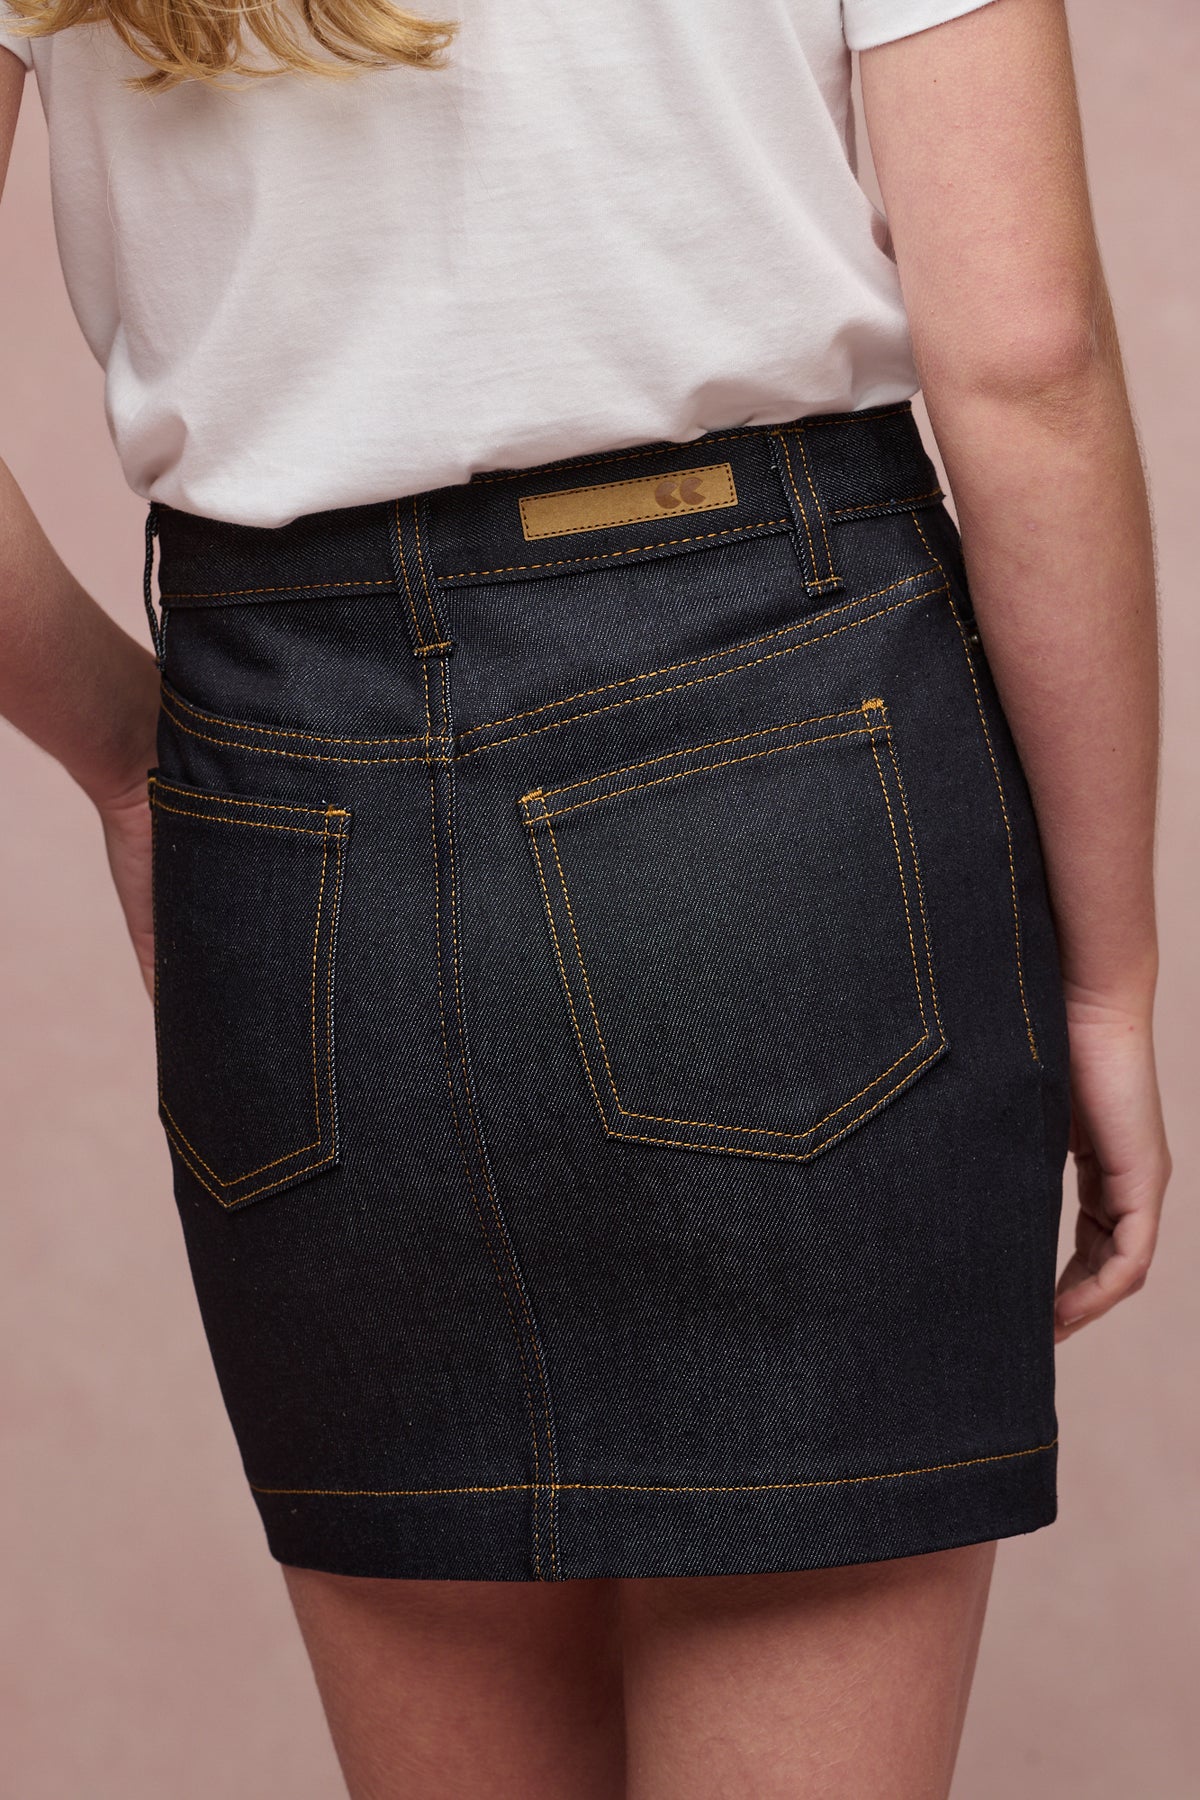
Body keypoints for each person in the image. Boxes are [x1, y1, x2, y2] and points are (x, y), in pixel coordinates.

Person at [0, 0, 1172, 1793]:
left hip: (291, 810)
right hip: (789, 768)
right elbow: (1026, 361)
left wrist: (121, 754)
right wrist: (1109, 981)